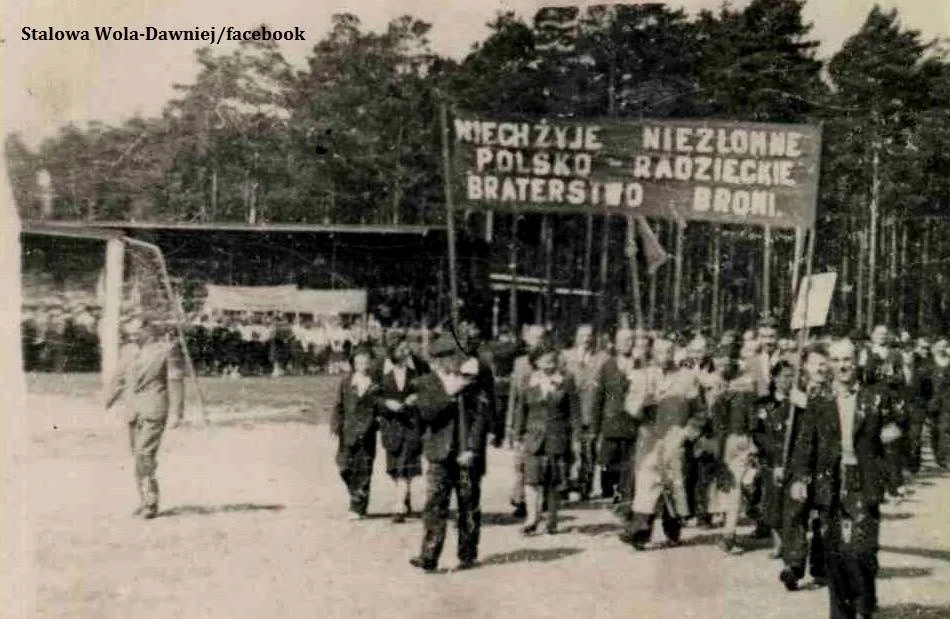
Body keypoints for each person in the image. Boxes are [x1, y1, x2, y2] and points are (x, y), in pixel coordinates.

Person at [788, 339, 900, 619]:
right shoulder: (819, 398)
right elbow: (806, 442)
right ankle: (841, 614)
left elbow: (899, 424)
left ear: (857, 360)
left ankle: (865, 604)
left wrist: (891, 441)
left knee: (863, 550)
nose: (842, 366)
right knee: (835, 552)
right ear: (829, 364)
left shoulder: (875, 395)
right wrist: (800, 478)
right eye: (836, 361)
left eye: (847, 360)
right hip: (830, 481)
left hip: (864, 479)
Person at [410, 336, 490, 573]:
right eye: (445, 358)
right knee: (435, 504)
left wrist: (473, 449)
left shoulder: (474, 382)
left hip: (466, 454)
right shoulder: (425, 383)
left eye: (454, 357)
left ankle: (467, 553)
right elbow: (427, 414)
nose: (451, 362)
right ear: (436, 361)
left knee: (469, 503)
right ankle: (429, 555)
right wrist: (450, 394)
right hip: (439, 452)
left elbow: (480, 419)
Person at [620, 338, 704, 550]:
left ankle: (673, 529)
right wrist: (643, 402)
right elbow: (630, 409)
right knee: (646, 483)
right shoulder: (642, 376)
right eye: (659, 352)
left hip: (676, 437)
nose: (663, 357)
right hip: (650, 437)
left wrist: (689, 432)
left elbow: (700, 411)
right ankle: (640, 532)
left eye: (668, 352)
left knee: (674, 482)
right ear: (652, 353)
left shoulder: (688, 378)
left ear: (674, 353)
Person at [106, 316, 177, 519]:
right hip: (132, 411)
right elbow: (119, 380)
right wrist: (107, 402)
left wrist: (177, 413)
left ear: (149, 331)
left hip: (154, 409)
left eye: (136, 332)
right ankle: (144, 498)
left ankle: (150, 501)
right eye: (130, 333)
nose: (132, 336)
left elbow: (175, 381)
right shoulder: (127, 351)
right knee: (139, 456)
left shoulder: (165, 351)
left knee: (143, 454)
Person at [780, 344, 830, 592]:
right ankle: (794, 565)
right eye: (815, 363)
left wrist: (808, 403)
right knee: (795, 512)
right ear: (805, 367)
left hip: (825, 461)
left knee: (824, 515)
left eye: (824, 363)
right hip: (799, 460)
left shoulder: (832, 391)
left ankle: (821, 567)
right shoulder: (794, 393)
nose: (820, 368)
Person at [517, 344, 580, 535]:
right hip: (533, 436)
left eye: (552, 360)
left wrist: (576, 438)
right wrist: (518, 436)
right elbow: (521, 410)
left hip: (557, 435)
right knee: (531, 479)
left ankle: (552, 520)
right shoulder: (529, 380)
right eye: (544, 360)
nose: (549, 364)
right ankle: (532, 518)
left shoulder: (566, 380)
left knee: (553, 481)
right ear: (536, 362)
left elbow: (574, 413)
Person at [707, 347, 759, 554]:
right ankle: (722, 524)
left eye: (729, 359)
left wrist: (752, 441)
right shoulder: (708, 380)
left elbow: (752, 417)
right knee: (721, 485)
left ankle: (729, 533)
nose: (724, 363)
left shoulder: (746, 382)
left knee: (734, 486)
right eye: (720, 358)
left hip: (737, 438)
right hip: (715, 440)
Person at [377, 331, 426, 523]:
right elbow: (374, 397)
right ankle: (403, 499)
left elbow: (426, 391)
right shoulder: (384, 374)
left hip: (411, 425)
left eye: (407, 349)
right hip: (391, 426)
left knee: (405, 466)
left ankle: (399, 506)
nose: (407, 353)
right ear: (394, 352)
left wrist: (416, 398)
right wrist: (386, 404)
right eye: (402, 350)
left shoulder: (416, 373)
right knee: (396, 468)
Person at [330, 346, 380, 520]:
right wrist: (335, 426)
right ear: (353, 363)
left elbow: (381, 407)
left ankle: (358, 507)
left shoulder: (375, 383)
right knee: (344, 466)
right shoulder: (346, 382)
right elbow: (338, 405)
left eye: (366, 362)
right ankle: (356, 495)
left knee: (364, 469)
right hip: (348, 431)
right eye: (359, 362)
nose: (362, 365)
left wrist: (377, 422)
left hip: (367, 433)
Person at [592, 328, 641, 505]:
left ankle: (624, 492)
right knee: (608, 458)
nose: (628, 344)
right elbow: (599, 395)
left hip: (632, 420)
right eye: (624, 340)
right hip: (611, 418)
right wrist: (594, 425)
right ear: (616, 343)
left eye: (631, 340)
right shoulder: (608, 365)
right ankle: (609, 488)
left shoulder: (640, 364)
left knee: (629, 459)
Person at [560, 324, 608, 501]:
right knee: (570, 448)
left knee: (588, 449)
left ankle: (583, 486)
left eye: (590, 335)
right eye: (583, 335)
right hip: (568, 410)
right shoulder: (566, 356)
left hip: (591, 411)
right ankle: (566, 484)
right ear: (576, 337)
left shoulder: (602, 358)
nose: (586, 339)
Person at [753, 360, 795, 558]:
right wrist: (772, 451)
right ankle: (778, 543)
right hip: (771, 459)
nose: (790, 380)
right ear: (775, 378)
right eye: (786, 376)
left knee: (792, 502)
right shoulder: (763, 404)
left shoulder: (797, 403)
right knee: (773, 501)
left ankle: (792, 543)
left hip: (793, 459)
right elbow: (758, 433)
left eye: (792, 375)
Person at [506, 324, 545, 518]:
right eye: (535, 337)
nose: (539, 340)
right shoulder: (520, 363)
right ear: (527, 339)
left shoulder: (552, 361)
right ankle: (520, 499)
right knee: (521, 461)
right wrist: (510, 427)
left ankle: (539, 501)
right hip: (524, 419)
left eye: (542, 337)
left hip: (543, 420)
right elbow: (514, 396)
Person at [930, 339, 950, 469]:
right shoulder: (929, 361)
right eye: (939, 346)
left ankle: (942, 457)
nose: (942, 348)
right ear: (935, 346)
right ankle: (936, 452)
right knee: (934, 428)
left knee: (945, 427)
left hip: (947, 399)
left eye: (945, 346)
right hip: (931, 398)